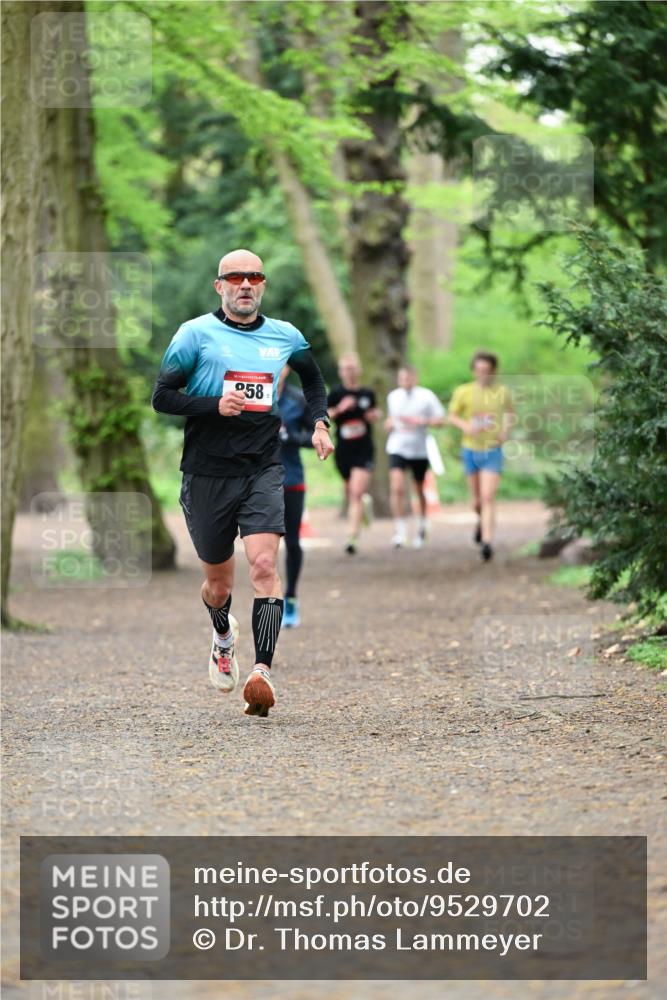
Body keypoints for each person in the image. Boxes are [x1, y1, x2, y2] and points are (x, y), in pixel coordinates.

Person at [152, 249, 333, 717]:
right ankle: (222, 636)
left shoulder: (285, 335)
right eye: (235, 278)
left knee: (264, 567)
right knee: (218, 583)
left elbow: (314, 382)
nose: (245, 285)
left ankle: (263, 670)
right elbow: (162, 397)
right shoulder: (194, 335)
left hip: (263, 468)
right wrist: (214, 404)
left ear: (263, 285)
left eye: (254, 277)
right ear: (220, 286)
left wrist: (320, 423)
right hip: (207, 472)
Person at [448, 351, 514, 562]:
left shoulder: (502, 392)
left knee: (488, 497)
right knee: (476, 501)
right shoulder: (463, 392)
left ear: (493, 371)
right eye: (479, 370)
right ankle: (480, 522)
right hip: (470, 449)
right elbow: (452, 416)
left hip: (492, 449)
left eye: (487, 370)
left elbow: (511, 413)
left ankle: (487, 541)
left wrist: (505, 431)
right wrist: (466, 426)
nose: (483, 374)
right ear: (474, 371)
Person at [385, 365, 445, 548]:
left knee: (419, 489)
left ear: (415, 378)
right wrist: (387, 424)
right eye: (402, 378)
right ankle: (400, 531)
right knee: (397, 487)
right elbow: (390, 419)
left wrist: (424, 421)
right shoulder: (393, 397)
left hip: (419, 449)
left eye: (409, 378)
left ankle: (421, 526)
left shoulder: (426, 396)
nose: (406, 382)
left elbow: (440, 420)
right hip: (397, 447)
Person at [327, 353, 381, 554]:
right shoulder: (336, 393)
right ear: (341, 372)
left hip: (364, 449)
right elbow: (325, 417)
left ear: (359, 371)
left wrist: (373, 416)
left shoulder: (367, 394)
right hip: (343, 450)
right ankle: (362, 510)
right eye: (345, 369)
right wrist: (340, 408)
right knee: (352, 493)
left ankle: (352, 538)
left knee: (356, 492)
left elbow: (374, 414)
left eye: (352, 368)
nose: (349, 372)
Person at [277, 365, 313, 628]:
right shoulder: (254, 395)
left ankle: (290, 597)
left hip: (291, 480)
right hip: (258, 482)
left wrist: (292, 437)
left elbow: (315, 437)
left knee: (291, 541)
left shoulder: (297, 399)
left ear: (287, 369)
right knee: (262, 548)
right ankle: (268, 599)